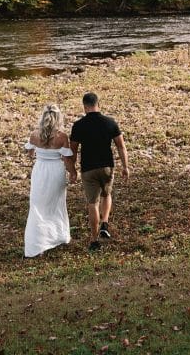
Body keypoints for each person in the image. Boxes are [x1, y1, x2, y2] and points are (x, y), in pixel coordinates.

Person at [69, 91, 129, 251]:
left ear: (84, 106)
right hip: (107, 167)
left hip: (88, 169)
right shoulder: (110, 122)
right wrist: (125, 166)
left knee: (92, 203)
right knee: (106, 195)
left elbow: (72, 150)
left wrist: (72, 170)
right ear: (98, 104)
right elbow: (121, 146)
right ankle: (105, 223)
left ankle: (94, 240)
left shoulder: (78, 125)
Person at [23, 103, 75, 258]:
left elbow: (30, 154)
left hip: (40, 171)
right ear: (58, 118)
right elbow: (66, 159)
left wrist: (40, 152)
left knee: (37, 205)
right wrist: (73, 172)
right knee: (55, 204)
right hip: (55, 171)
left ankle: (38, 244)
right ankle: (57, 236)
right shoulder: (61, 137)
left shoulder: (34, 135)